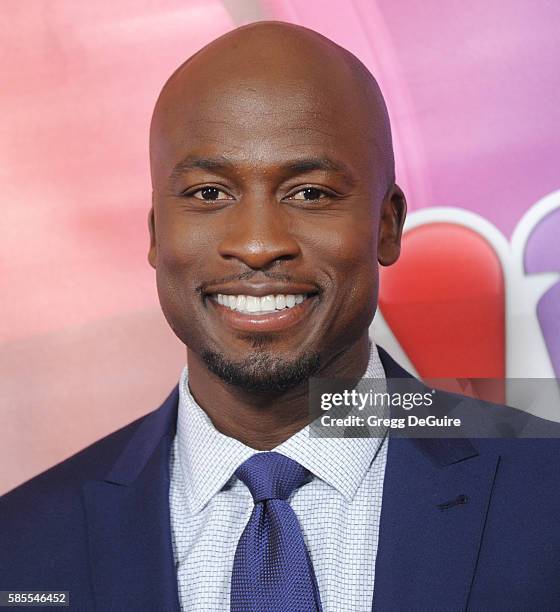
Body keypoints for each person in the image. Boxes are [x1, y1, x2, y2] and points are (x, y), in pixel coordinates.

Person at [1, 21, 560, 612]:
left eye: (310, 193)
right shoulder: (22, 546)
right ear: (155, 233)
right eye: (209, 194)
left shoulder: (546, 494)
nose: (260, 242)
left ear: (386, 225)